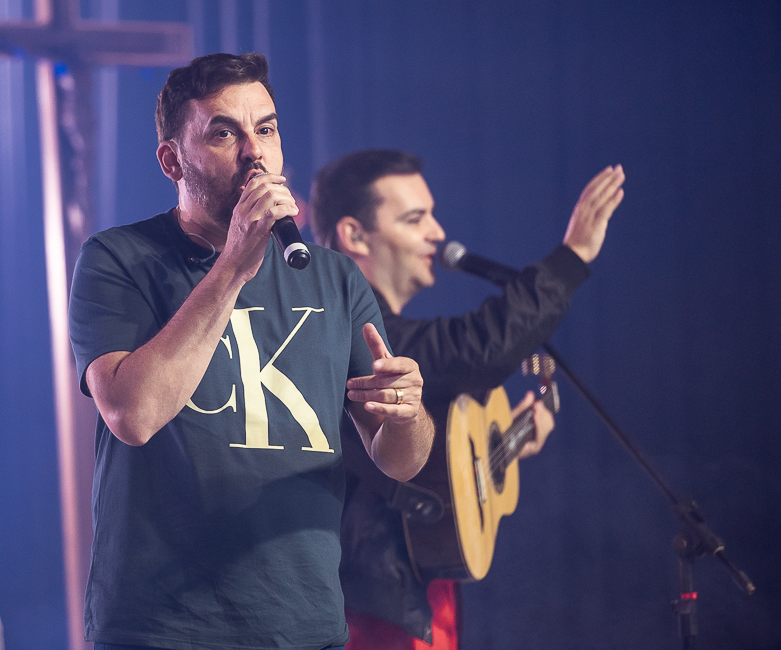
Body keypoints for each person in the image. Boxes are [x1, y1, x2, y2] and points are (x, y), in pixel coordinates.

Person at [68, 54, 435, 650]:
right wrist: (235, 263)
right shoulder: (118, 259)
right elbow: (132, 414)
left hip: (305, 627)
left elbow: (402, 461)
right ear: (172, 161)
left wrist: (407, 415)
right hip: (166, 631)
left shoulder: (336, 279)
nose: (254, 153)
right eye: (224, 133)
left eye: (266, 129)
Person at [309, 150, 625, 650]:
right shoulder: (352, 331)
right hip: (364, 609)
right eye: (415, 218)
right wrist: (573, 255)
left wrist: (503, 447)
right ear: (354, 235)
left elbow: (430, 450)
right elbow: (475, 348)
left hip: (408, 594)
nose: (438, 233)